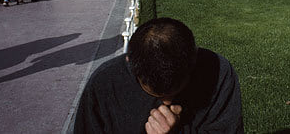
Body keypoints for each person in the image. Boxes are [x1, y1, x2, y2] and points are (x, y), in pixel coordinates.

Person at [74, 17, 244, 133]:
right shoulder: (104, 84)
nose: (167, 102)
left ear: (194, 59)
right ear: (129, 62)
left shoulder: (217, 72)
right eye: (155, 93)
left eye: (175, 91)